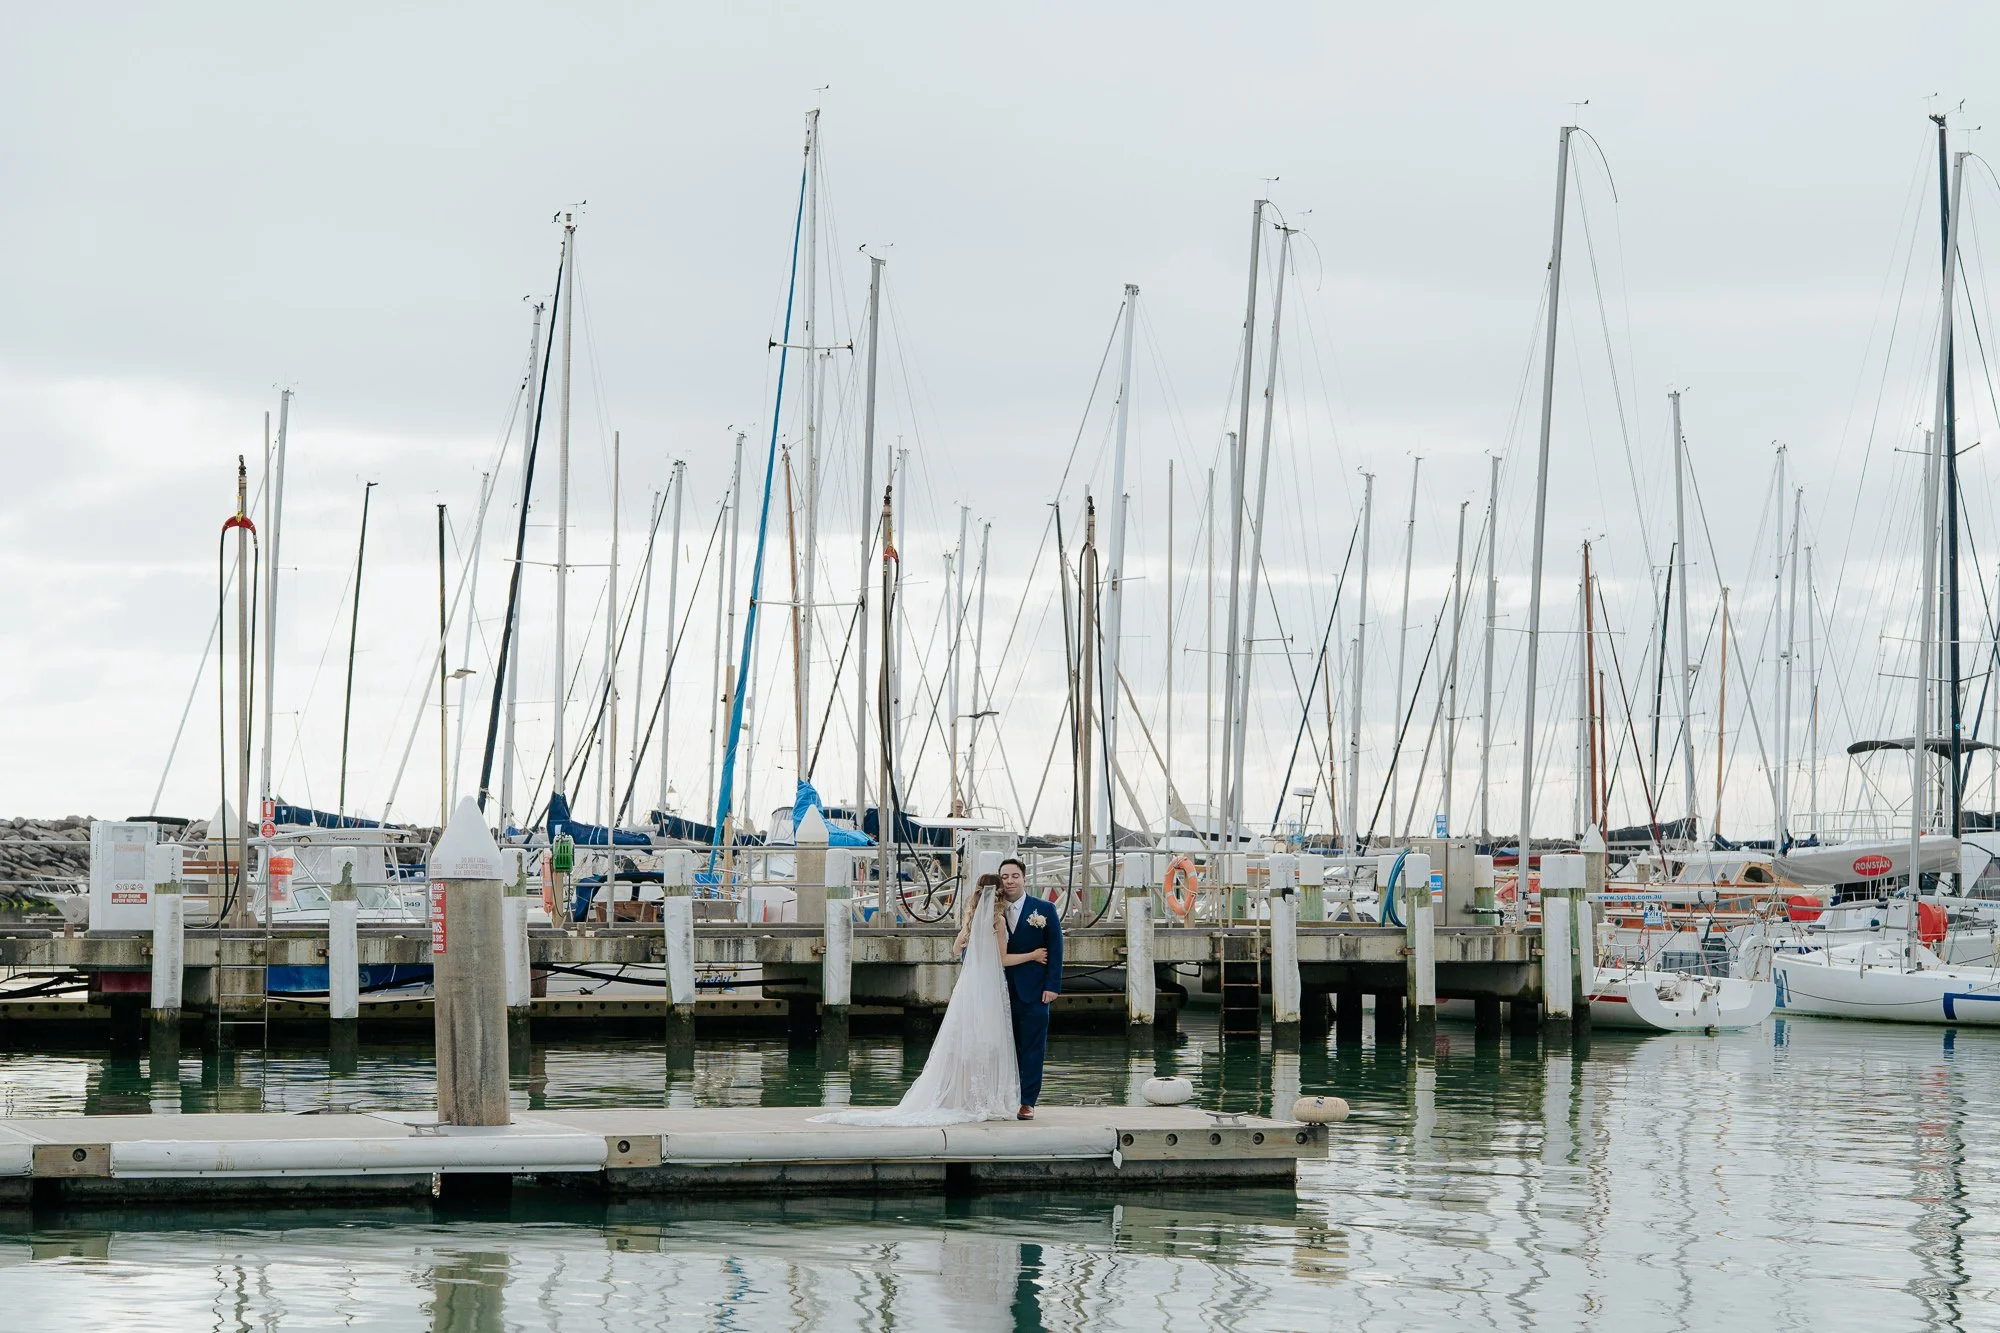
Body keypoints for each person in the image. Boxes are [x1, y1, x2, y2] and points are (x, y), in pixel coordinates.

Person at [810, 875, 1040, 1126]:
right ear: (997, 893)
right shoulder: (997, 920)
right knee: (988, 1039)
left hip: (969, 983)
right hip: (990, 984)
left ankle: (964, 1097)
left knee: (965, 1039)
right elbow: (1003, 959)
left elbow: (955, 950)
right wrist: (1033, 955)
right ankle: (982, 1098)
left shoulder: (971, 920)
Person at [996, 856, 1061, 1120]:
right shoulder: (993, 910)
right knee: (1001, 1046)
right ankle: (1002, 1097)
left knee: (1033, 1047)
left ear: (1024, 879)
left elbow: (1056, 949)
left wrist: (1053, 986)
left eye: (1014, 876)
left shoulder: (1044, 909)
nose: (1009, 881)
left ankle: (1027, 1101)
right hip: (999, 989)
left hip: (1035, 991)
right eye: (1004, 877)